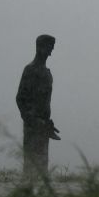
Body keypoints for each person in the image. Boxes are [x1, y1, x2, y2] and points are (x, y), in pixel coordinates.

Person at [16, 34, 61, 178]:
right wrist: (34, 121)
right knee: (31, 168)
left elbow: (44, 102)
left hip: (44, 127)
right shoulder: (30, 70)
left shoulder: (47, 74)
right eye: (49, 47)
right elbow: (20, 99)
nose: (51, 52)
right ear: (40, 47)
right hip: (33, 127)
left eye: (52, 48)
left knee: (42, 170)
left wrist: (47, 123)